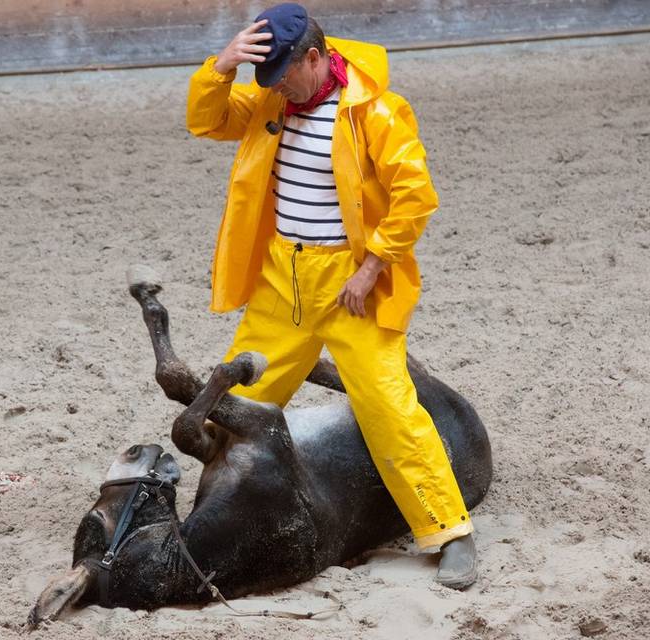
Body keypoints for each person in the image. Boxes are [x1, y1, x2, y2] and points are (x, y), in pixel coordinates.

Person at [185, 2, 477, 588]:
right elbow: (207, 120)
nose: (276, 89)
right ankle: (211, 517)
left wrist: (370, 271)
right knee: (239, 402)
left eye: (283, 75)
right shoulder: (273, 100)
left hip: (352, 289)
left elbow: (413, 197)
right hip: (280, 282)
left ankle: (449, 531)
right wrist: (219, 67)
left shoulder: (376, 111)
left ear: (313, 58)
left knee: (390, 409)